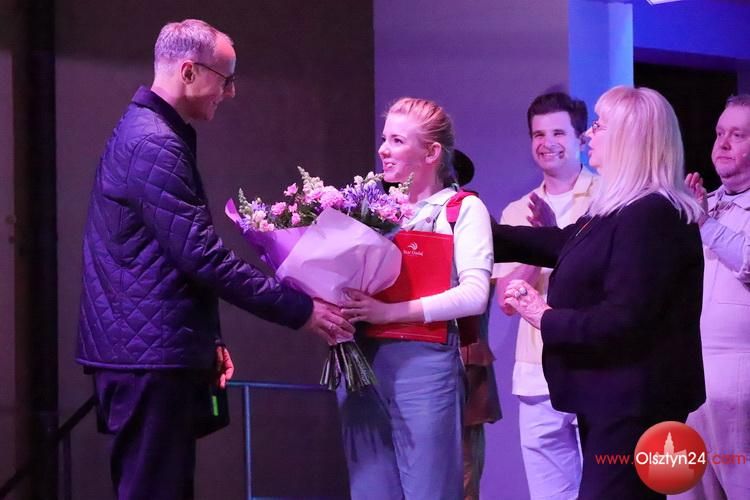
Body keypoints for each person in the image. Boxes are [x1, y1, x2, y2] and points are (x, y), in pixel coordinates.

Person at [76, 19, 351, 500]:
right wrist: (302, 310)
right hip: (147, 359)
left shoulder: (152, 132)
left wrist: (207, 339)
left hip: (150, 351)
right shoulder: (154, 143)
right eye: (226, 79)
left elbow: (168, 258)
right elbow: (202, 256)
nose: (231, 92)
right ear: (188, 72)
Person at [492, 86, 706, 499]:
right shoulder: (622, 209)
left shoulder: (652, 213)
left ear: (628, 139)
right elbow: (560, 242)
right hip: (613, 398)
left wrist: (544, 316)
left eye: (600, 126)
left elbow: (624, 317)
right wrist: (476, 229)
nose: (590, 134)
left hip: (635, 404)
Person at [340, 97, 494, 499]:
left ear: (431, 152)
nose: (383, 149)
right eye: (384, 138)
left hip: (423, 366)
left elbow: (475, 295)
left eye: (397, 140)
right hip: (362, 362)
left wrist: (388, 312)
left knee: (428, 490)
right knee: (370, 491)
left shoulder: (462, 209)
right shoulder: (372, 210)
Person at [494, 92, 595, 500]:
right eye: (538, 134)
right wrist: (539, 247)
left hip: (595, 363)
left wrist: (554, 240)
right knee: (549, 493)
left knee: (603, 486)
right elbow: (506, 300)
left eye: (558, 133)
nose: (547, 143)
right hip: (535, 372)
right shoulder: (518, 211)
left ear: (581, 139)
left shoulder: (608, 197)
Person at [675, 95, 750, 500]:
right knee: (686, 490)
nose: (722, 143)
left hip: (739, 375)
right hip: (689, 373)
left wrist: (703, 222)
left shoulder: (706, 214)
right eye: (720, 133)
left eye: (737, 135)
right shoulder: (706, 203)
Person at [453, 150, 502, 500]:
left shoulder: (473, 216)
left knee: (464, 467)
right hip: (409, 356)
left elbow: (479, 294)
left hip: (463, 354)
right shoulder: (401, 213)